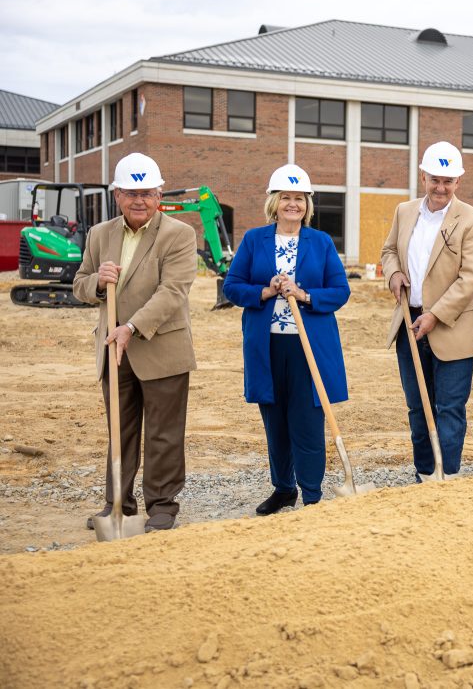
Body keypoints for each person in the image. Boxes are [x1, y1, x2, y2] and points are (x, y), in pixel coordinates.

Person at [73, 152, 197, 532]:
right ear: (117, 195)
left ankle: (162, 505)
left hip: (160, 347)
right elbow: (79, 285)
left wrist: (131, 327)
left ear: (160, 194)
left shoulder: (179, 234)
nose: (139, 200)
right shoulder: (99, 234)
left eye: (146, 192)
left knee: (163, 431)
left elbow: (172, 291)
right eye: (130, 192)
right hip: (113, 349)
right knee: (120, 430)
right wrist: (96, 280)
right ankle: (119, 505)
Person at [223, 164, 351, 513]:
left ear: (307, 205)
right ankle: (283, 489)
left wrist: (305, 294)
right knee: (275, 421)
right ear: (274, 202)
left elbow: (341, 290)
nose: (292, 204)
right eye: (286, 198)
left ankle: (311, 494)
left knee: (308, 422)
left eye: (299, 198)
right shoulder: (254, 239)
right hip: (268, 345)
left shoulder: (321, 242)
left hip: (308, 347)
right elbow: (231, 286)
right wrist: (266, 291)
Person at [380, 141, 473, 480]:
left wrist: (434, 316)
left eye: (448, 181)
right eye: (434, 180)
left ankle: (448, 477)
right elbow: (388, 251)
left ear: (459, 181)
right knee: (418, 408)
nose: (440, 188)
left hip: (451, 326)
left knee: (450, 409)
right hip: (409, 323)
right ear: (423, 176)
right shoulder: (404, 211)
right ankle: (425, 475)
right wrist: (394, 274)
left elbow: (470, 278)